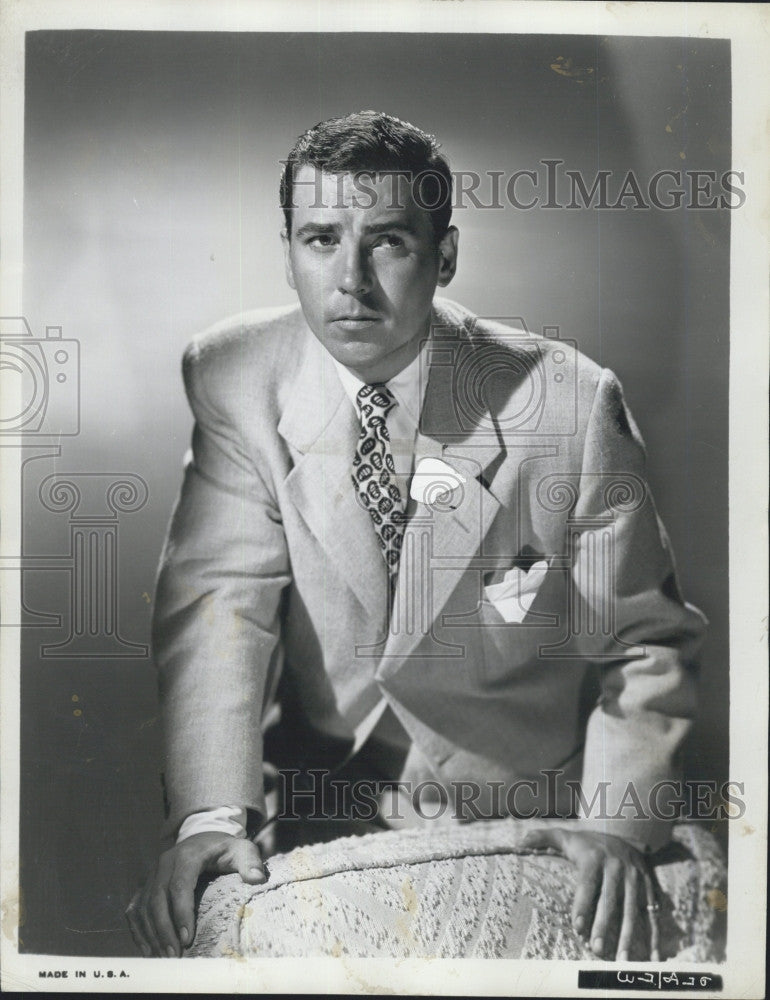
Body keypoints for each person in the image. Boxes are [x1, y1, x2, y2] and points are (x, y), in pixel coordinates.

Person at [126, 110, 706, 961]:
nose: (350, 281)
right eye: (321, 238)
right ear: (287, 246)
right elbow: (221, 607)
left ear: (447, 254)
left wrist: (615, 823)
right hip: (314, 817)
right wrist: (213, 814)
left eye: (388, 241)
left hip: (522, 825)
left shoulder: (570, 401)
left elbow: (644, 641)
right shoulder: (234, 372)